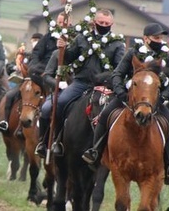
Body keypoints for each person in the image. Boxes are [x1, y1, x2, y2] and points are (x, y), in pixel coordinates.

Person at [82, 22, 169, 179]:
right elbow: (117, 74)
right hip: (130, 98)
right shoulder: (132, 53)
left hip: (154, 101)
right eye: (156, 37)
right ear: (146, 39)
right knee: (106, 115)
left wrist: (162, 97)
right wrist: (121, 93)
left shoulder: (166, 57)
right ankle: (95, 151)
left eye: (160, 38)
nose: (159, 40)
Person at [50, 9, 126, 157]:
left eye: (107, 23)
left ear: (112, 24)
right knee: (59, 102)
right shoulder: (82, 38)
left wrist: (103, 78)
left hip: (104, 88)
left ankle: (107, 148)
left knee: (114, 112)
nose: (104, 25)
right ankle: (57, 139)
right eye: (101, 22)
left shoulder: (118, 44)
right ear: (94, 22)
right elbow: (69, 58)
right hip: (80, 82)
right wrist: (63, 48)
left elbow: (118, 69)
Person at [34, 49, 68, 158]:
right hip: (60, 90)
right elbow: (47, 75)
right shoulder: (57, 53)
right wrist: (58, 83)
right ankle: (43, 142)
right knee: (46, 108)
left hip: (83, 89)